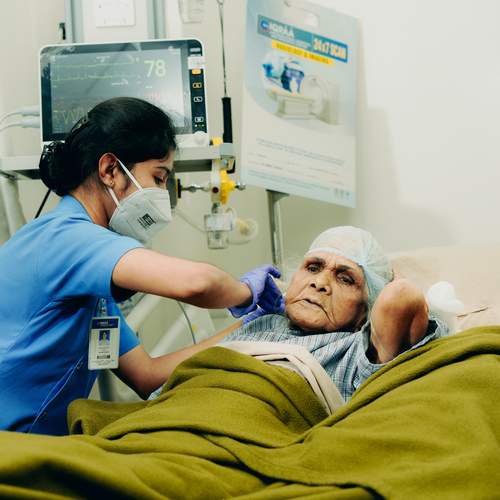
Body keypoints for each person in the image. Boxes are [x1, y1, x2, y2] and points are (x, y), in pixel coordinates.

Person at [0, 97, 283, 435]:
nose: (163, 194)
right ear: (110, 170)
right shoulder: (66, 238)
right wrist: (248, 292)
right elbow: (197, 282)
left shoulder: (89, 279)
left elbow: (146, 376)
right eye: (159, 178)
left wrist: (250, 326)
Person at [219, 226, 449, 401]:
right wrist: (241, 294)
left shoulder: (353, 352)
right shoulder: (264, 320)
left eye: (345, 279)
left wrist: (384, 282)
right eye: (313, 268)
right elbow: (195, 359)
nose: (319, 283)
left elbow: (401, 296)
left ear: (365, 311)